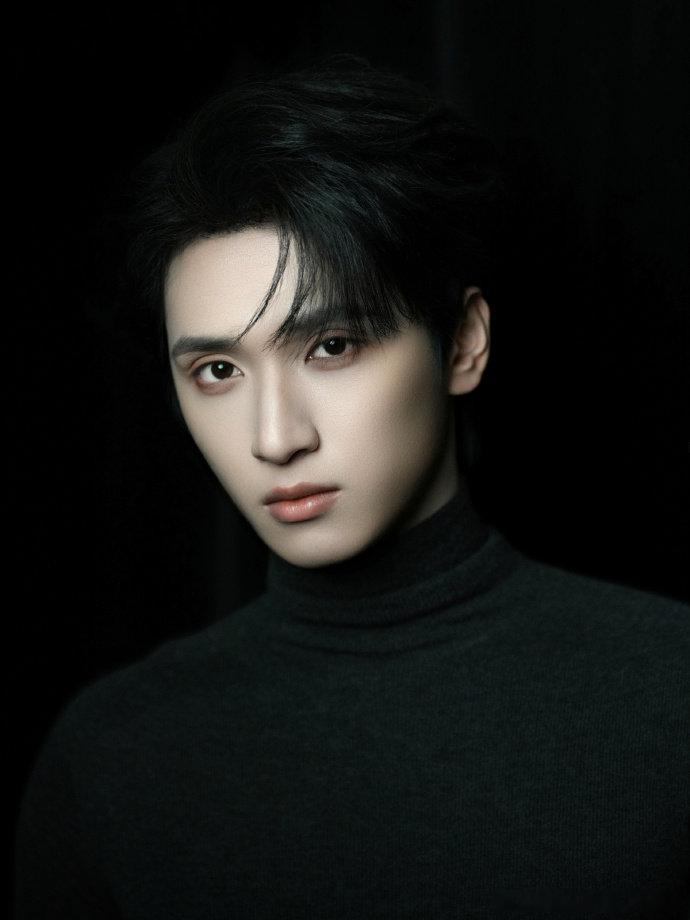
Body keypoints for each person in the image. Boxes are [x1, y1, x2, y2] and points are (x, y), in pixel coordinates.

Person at [13, 54, 689, 919]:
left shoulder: (668, 698)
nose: (274, 438)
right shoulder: (111, 756)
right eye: (218, 370)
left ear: (463, 342)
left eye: (331, 346)